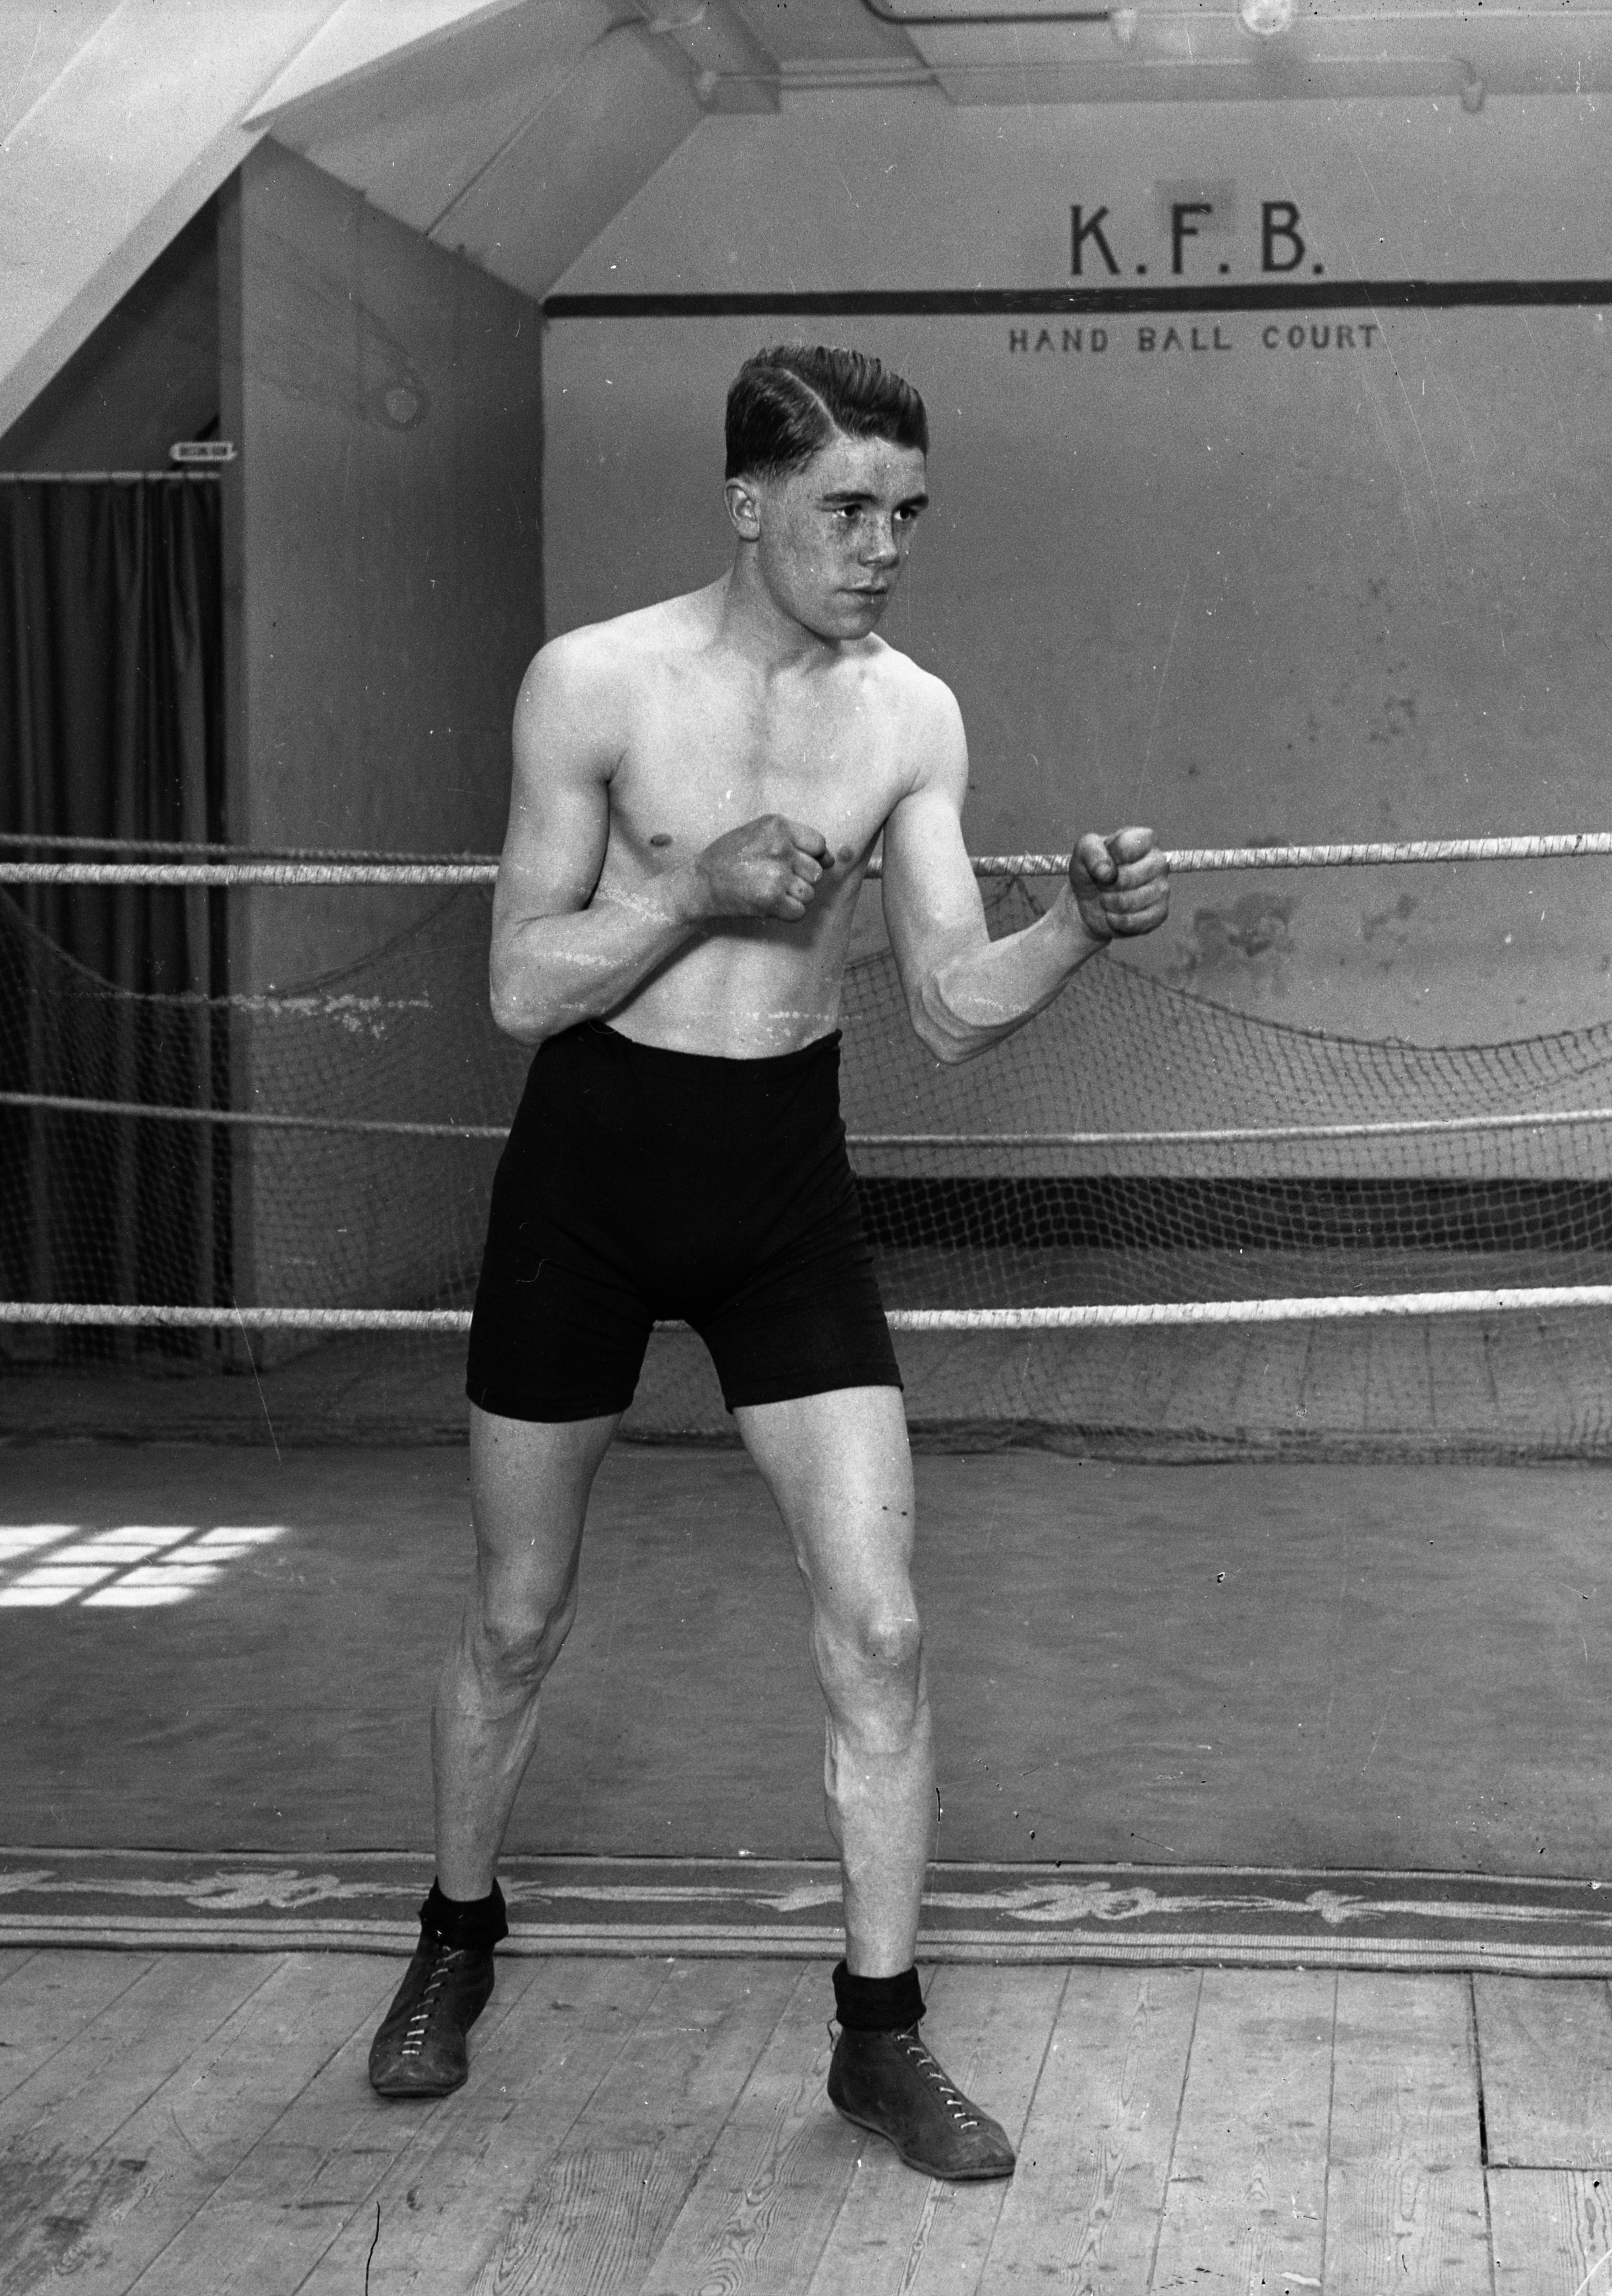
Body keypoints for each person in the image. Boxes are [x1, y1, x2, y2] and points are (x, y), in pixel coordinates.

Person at [366, 344, 1171, 2181]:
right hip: (589, 1178)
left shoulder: (914, 718)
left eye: (907, 514)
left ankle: (878, 2040)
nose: (884, 548)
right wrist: (684, 891)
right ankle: (453, 1941)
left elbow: (951, 1009)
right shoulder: (596, 681)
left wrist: (1073, 927)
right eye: (845, 510)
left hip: (781, 1191)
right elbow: (518, 987)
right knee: (515, 1616)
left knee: (883, 1627)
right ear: (748, 503)